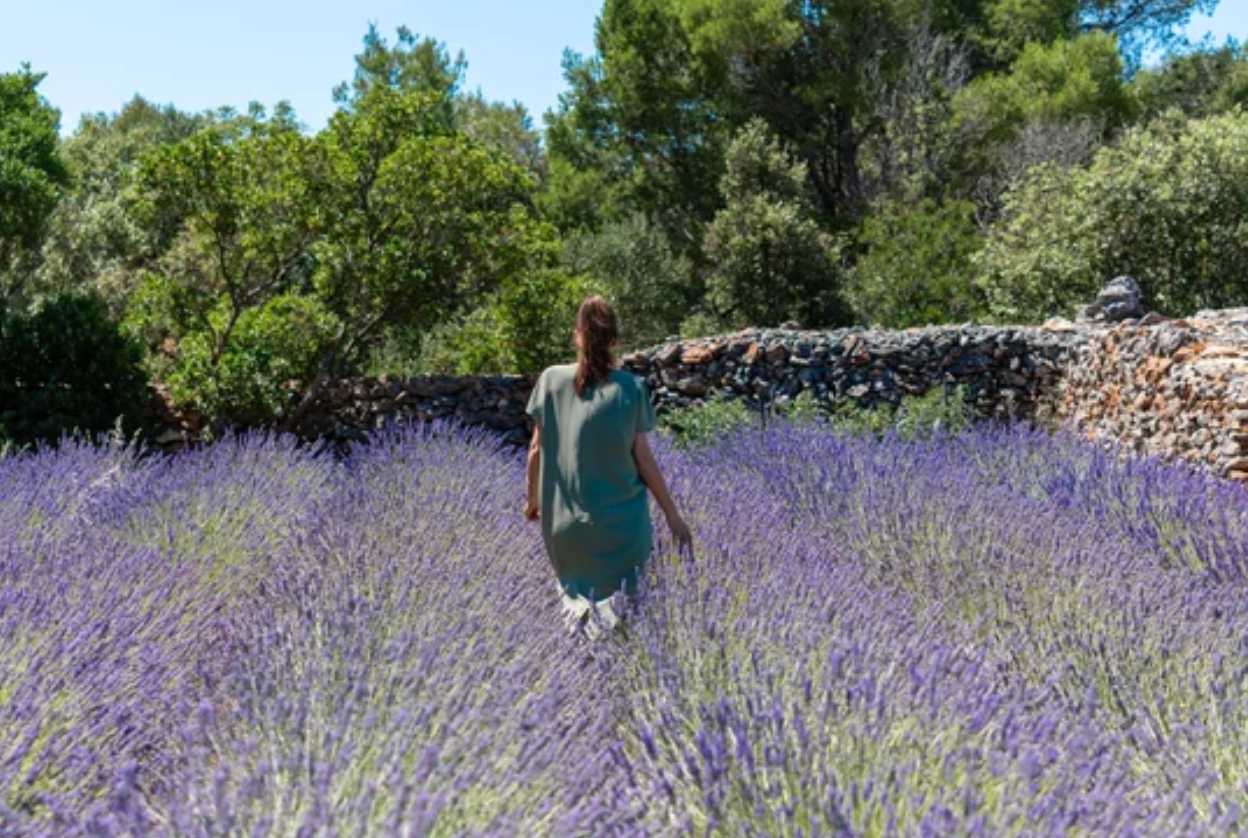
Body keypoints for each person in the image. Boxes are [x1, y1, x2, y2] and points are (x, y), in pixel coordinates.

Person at [525, 296, 692, 639]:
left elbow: (536, 449)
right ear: (614, 341)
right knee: (625, 616)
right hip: (621, 525)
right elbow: (643, 460)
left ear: (577, 336)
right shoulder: (630, 389)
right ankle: (622, 673)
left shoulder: (551, 381)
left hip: (565, 527)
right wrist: (673, 516)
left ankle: (580, 674)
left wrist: (533, 502)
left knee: (574, 606)